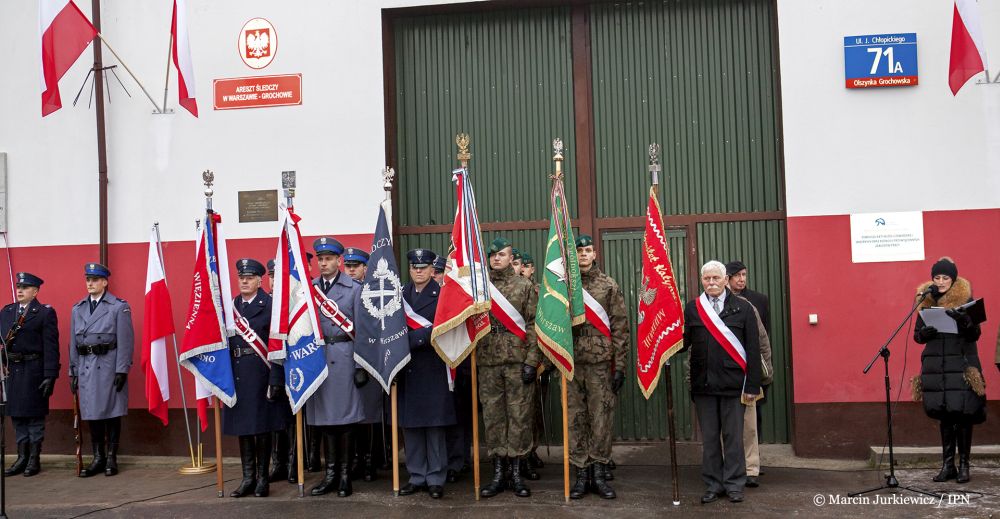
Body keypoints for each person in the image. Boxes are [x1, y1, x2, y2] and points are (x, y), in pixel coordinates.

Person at [682, 260, 761, 505]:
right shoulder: (693, 308)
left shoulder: (743, 308)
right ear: (702, 281)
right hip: (703, 385)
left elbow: (753, 349)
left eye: (716, 278)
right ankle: (713, 484)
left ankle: (734, 484)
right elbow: (683, 342)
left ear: (726, 280)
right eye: (707, 279)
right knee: (710, 439)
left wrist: (752, 386)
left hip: (733, 386)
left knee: (734, 438)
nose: (712, 283)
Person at [912, 257, 986, 484]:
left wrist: (964, 321)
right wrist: (924, 334)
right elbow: (917, 336)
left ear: (953, 280)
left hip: (961, 367)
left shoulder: (967, 301)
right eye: (937, 277)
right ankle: (948, 466)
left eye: (946, 277)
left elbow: (975, 335)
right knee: (944, 415)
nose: (941, 281)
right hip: (936, 368)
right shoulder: (925, 301)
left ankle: (964, 465)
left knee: (962, 415)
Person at [567, 235, 628, 500]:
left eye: (587, 250)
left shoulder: (608, 285)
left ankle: (599, 473)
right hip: (571, 363)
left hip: (601, 364)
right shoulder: (564, 286)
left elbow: (620, 328)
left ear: (595, 254)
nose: (583, 254)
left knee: (601, 419)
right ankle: (581, 474)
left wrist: (621, 366)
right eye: (578, 250)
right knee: (576, 420)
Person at [478, 237, 539, 498]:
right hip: (488, 362)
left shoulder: (524, 286)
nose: (496, 259)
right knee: (493, 419)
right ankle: (498, 473)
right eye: (492, 255)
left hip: (517, 361)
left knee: (519, 418)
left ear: (509, 257)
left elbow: (534, 325)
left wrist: (532, 361)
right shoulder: (480, 288)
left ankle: (515, 473)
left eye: (502, 254)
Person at [308, 237, 369, 497]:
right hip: (319, 359)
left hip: (345, 357)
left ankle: (345, 475)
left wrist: (360, 364)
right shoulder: (310, 289)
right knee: (324, 422)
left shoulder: (354, 289)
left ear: (338, 261)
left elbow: (363, 331)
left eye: (329, 259)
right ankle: (330, 474)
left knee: (345, 421)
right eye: (320, 259)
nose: (324, 263)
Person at [224, 259, 288, 497]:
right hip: (237, 374)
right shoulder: (231, 307)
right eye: (241, 277)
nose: (244, 281)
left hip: (261, 373)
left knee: (261, 429)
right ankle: (247, 478)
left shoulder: (270, 305)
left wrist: (276, 379)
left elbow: (278, 345)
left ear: (260, 280)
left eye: (249, 277)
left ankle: (263, 479)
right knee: (243, 429)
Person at [398, 249, 456, 499]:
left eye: (423, 267)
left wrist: (411, 339)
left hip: (433, 365)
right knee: (411, 426)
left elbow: (445, 328)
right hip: (408, 368)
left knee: (434, 427)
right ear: (410, 270)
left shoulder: (443, 294)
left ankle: (435, 477)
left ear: (432, 270)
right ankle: (416, 475)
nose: (419, 271)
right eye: (414, 267)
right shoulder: (399, 295)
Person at [69, 263, 134, 478]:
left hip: (108, 365)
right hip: (87, 367)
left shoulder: (118, 306)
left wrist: (122, 370)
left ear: (105, 282)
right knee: (92, 414)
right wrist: (73, 371)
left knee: (111, 412)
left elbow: (126, 340)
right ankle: (98, 457)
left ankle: (111, 457)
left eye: (95, 280)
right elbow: (74, 343)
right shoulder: (78, 308)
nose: (90, 283)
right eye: (88, 279)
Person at [2, 273, 58, 478]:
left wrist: (50, 375)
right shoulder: (7, 312)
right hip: (14, 371)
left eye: (25, 287)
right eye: (18, 286)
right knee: (17, 416)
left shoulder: (44, 314)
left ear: (35, 291)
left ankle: (34, 459)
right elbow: (2, 343)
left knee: (34, 418)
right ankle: (21, 457)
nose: (20, 290)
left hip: (34, 369)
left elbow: (51, 347)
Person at [726, 260, 773, 488]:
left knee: (751, 423)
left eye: (744, 274)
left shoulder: (758, 301)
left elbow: (764, 339)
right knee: (728, 424)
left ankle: (752, 468)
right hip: (725, 373)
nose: (742, 279)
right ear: (728, 278)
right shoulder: (713, 304)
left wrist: (765, 371)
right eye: (737, 275)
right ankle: (732, 466)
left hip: (749, 371)